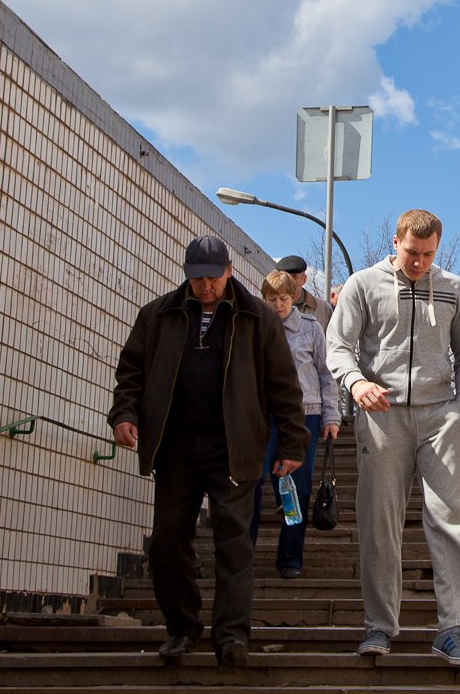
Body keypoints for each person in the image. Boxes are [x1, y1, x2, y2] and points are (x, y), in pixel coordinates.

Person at [108, 236, 305, 669]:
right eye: (197, 278)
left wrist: (293, 442)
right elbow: (131, 372)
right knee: (166, 542)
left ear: (229, 271)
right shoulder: (159, 314)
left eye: (213, 278)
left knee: (234, 543)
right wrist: (125, 413)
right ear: (187, 273)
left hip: (234, 447)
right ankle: (181, 629)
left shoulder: (257, 317)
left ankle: (231, 637)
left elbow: (284, 386)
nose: (205, 287)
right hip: (175, 446)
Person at [326, 209, 460, 669]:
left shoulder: (454, 288)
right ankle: (379, 624)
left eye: (428, 254)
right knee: (379, 521)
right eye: (411, 252)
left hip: (440, 416)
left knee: (449, 518)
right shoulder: (362, 284)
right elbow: (339, 345)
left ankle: (455, 629)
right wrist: (355, 383)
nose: (418, 262)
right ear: (395, 241)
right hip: (382, 414)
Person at [248, 271, 341, 579]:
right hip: (263, 414)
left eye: (283, 299)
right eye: (271, 299)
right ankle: (242, 554)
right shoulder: (254, 327)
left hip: (305, 414)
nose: (277, 305)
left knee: (297, 488)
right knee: (251, 482)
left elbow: (326, 374)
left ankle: (290, 557)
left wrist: (331, 416)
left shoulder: (311, 329)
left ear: (294, 298)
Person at [275, 254, 334, 330]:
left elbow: (331, 339)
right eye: (285, 277)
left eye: (294, 277)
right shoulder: (270, 307)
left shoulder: (323, 309)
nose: (289, 281)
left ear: (304, 279)